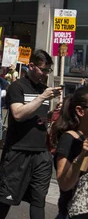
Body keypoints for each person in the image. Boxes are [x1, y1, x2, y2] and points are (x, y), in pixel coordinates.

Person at [0, 49, 60, 219]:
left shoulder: (45, 89)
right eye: (43, 69)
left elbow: (40, 116)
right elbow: (18, 114)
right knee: (7, 198)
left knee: (39, 200)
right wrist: (41, 98)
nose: (45, 74)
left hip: (41, 153)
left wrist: (54, 113)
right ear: (31, 66)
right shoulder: (17, 87)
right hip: (18, 150)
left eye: (48, 71)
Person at [52, 87, 88, 219]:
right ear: (80, 111)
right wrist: (82, 155)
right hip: (74, 213)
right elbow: (64, 184)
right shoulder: (70, 139)